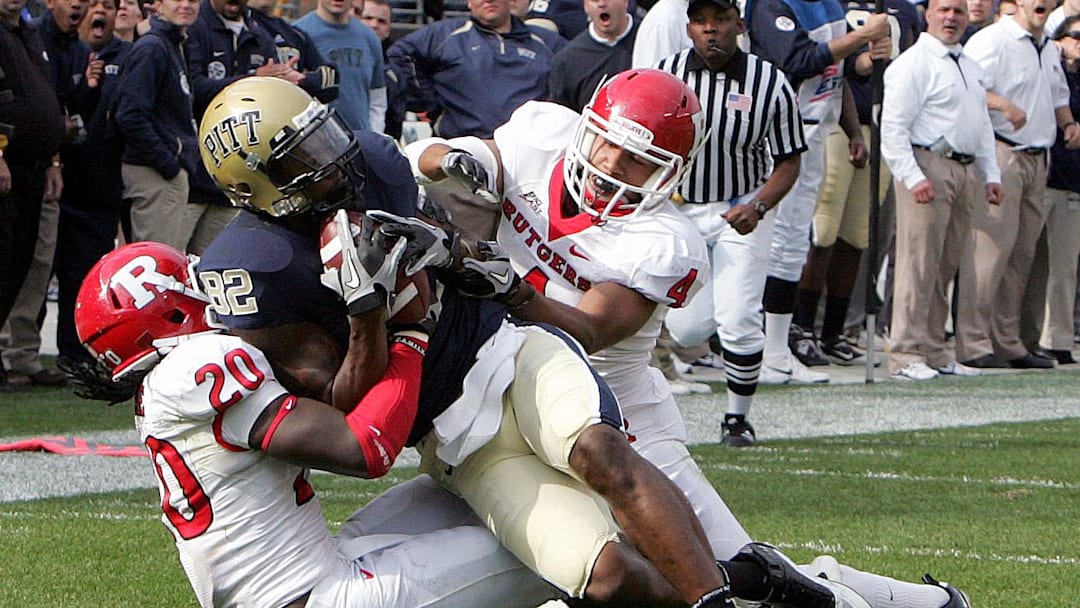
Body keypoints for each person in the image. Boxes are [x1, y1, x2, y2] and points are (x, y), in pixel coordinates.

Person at [194, 76, 868, 608]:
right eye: (305, 158)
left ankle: (733, 597)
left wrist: (463, 260)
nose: (335, 157)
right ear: (254, 187)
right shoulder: (255, 272)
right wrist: (374, 314)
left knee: (601, 453)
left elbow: (584, 321)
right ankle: (754, 582)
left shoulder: (370, 164)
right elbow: (348, 417)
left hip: (520, 354)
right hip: (456, 438)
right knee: (610, 578)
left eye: (325, 134)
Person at [397, 68, 973, 608]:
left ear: (669, 173)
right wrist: (456, 156)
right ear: (587, 127)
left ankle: (917, 601)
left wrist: (508, 286)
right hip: (519, 405)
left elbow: (590, 329)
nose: (613, 167)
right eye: (608, 146)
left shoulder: (661, 239)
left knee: (736, 576)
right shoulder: (543, 133)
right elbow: (426, 160)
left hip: (622, 424)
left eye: (639, 162)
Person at [71, 240, 565, 608]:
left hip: (304, 575)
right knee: (547, 542)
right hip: (318, 595)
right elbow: (364, 447)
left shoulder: (162, 390)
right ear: (174, 306)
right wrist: (413, 333)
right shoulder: (199, 362)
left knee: (457, 488)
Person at [651, 0, 804, 446]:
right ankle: (723, 332)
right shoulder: (668, 74)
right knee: (687, 327)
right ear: (689, 27)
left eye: (719, 20)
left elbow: (790, 159)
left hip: (742, 210)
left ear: (738, 24)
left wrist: (757, 207)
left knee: (738, 316)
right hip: (681, 210)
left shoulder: (768, 81)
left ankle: (737, 419)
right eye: (701, 21)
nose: (710, 30)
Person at [745, 0, 890, 384]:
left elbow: (834, 74)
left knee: (794, 244)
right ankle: (751, 346)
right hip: (775, 134)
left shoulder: (829, 4)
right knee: (770, 242)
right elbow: (797, 59)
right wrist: (863, 36)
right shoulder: (773, 4)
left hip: (816, 131)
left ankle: (777, 349)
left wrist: (853, 130)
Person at [788, 0, 919, 369]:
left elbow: (905, 60)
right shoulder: (830, 7)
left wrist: (884, 55)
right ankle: (802, 327)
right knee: (823, 228)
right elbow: (836, 67)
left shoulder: (903, 10)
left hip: (878, 123)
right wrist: (862, 57)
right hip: (830, 119)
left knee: (858, 233)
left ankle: (834, 332)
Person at [880, 0, 1003, 381]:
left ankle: (933, 347)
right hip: (928, 164)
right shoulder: (913, 64)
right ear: (929, 14)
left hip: (964, 168)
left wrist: (991, 173)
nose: (952, 18)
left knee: (946, 262)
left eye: (959, 12)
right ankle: (904, 352)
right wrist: (912, 176)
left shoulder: (968, 64)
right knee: (917, 263)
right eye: (945, 10)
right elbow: (894, 127)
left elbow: (981, 123)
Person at [958, 0, 1080, 369]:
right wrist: (1003, 105)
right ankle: (974, 342)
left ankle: (1007, 341)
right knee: (990, 251)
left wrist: (1068, 122)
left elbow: (1058, 94)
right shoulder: (993, 41)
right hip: (1002, 152)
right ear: (1018, 3)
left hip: (1038, 157)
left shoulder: (1046, 48)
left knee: (1021, 255)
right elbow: (965, 86)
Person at [387, 0, 564, 239]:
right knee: (463, 259)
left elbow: (573, 76)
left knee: (527, 266)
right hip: (460, 172)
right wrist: (429, 103)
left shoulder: (546, 42)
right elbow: (400, 55)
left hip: (528, 174)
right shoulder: (445, 35)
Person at [0, 0, 90, 388]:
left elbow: (48, 98)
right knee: (2, 258)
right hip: (8, 165)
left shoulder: (27, 32)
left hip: (35, 168)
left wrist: (54, 160)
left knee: (19, 263)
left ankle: (9, 360)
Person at [51, 0, 132, 368]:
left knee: (89, 274)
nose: (97, 11)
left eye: (107, 6)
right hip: (61, 181)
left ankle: (80, 350)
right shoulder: (59, 49)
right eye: (92, 3)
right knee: (45, 272)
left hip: (103, 186)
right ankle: (21, 354)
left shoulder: (129, 55)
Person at [113, 0, 201, 251]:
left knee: (169, 259)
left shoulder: (175, 45)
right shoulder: (152, 47)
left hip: (167, 171)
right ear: (157, 4)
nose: (186, 5)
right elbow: (130, 114)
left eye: (193, 0)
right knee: (156, 265)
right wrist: (168, 163)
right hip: (152, 173)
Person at [1037, 15, 1080, 365]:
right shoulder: (1047, 70)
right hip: (1040, 174)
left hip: (1072, 181)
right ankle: (1023, 333)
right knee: (1024, 262)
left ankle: (1059, 337)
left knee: (1064, 266)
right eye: (1076, 36)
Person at [295, 0, 386, 133]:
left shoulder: (369, 37)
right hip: (316, 141)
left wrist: (374, 136)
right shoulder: (299, 34)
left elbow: (377, 98)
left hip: (361, 141)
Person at [548, 0, 638, 113]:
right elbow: (561, 117)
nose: (602, 4)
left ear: (625, 2)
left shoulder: (651, 39)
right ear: (585, 5)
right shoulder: (567, 60)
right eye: (594, 0)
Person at [246, 0, 340, 104]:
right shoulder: (236, 29)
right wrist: (266, 78)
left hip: (292, 114)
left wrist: (301, 80)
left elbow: (330, 84)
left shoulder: (294, 34)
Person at [358, 0, 406, 141]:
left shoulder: (395, 74)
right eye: (368, 18)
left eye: (382, 21)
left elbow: (395, 124)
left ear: (389, 28)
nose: (374, 25)